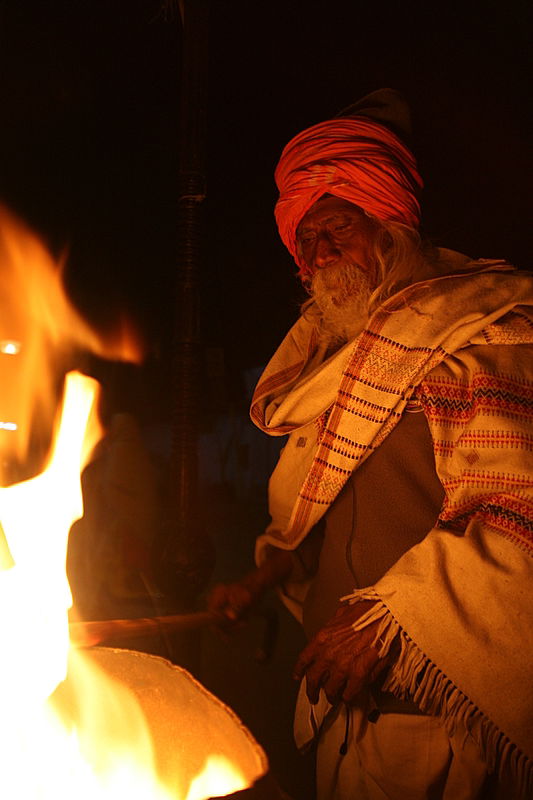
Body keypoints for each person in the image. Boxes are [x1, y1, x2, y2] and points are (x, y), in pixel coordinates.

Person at [207, 89, 533, 799]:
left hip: (436, 722)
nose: (320, 254)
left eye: (337, 229)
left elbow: (519, 515)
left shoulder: (482, 333)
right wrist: (269, 573)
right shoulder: (337, 367)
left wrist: (389, 619)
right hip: (339, 709)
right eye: (306, 242)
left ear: (387, 225)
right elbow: (330, 506)